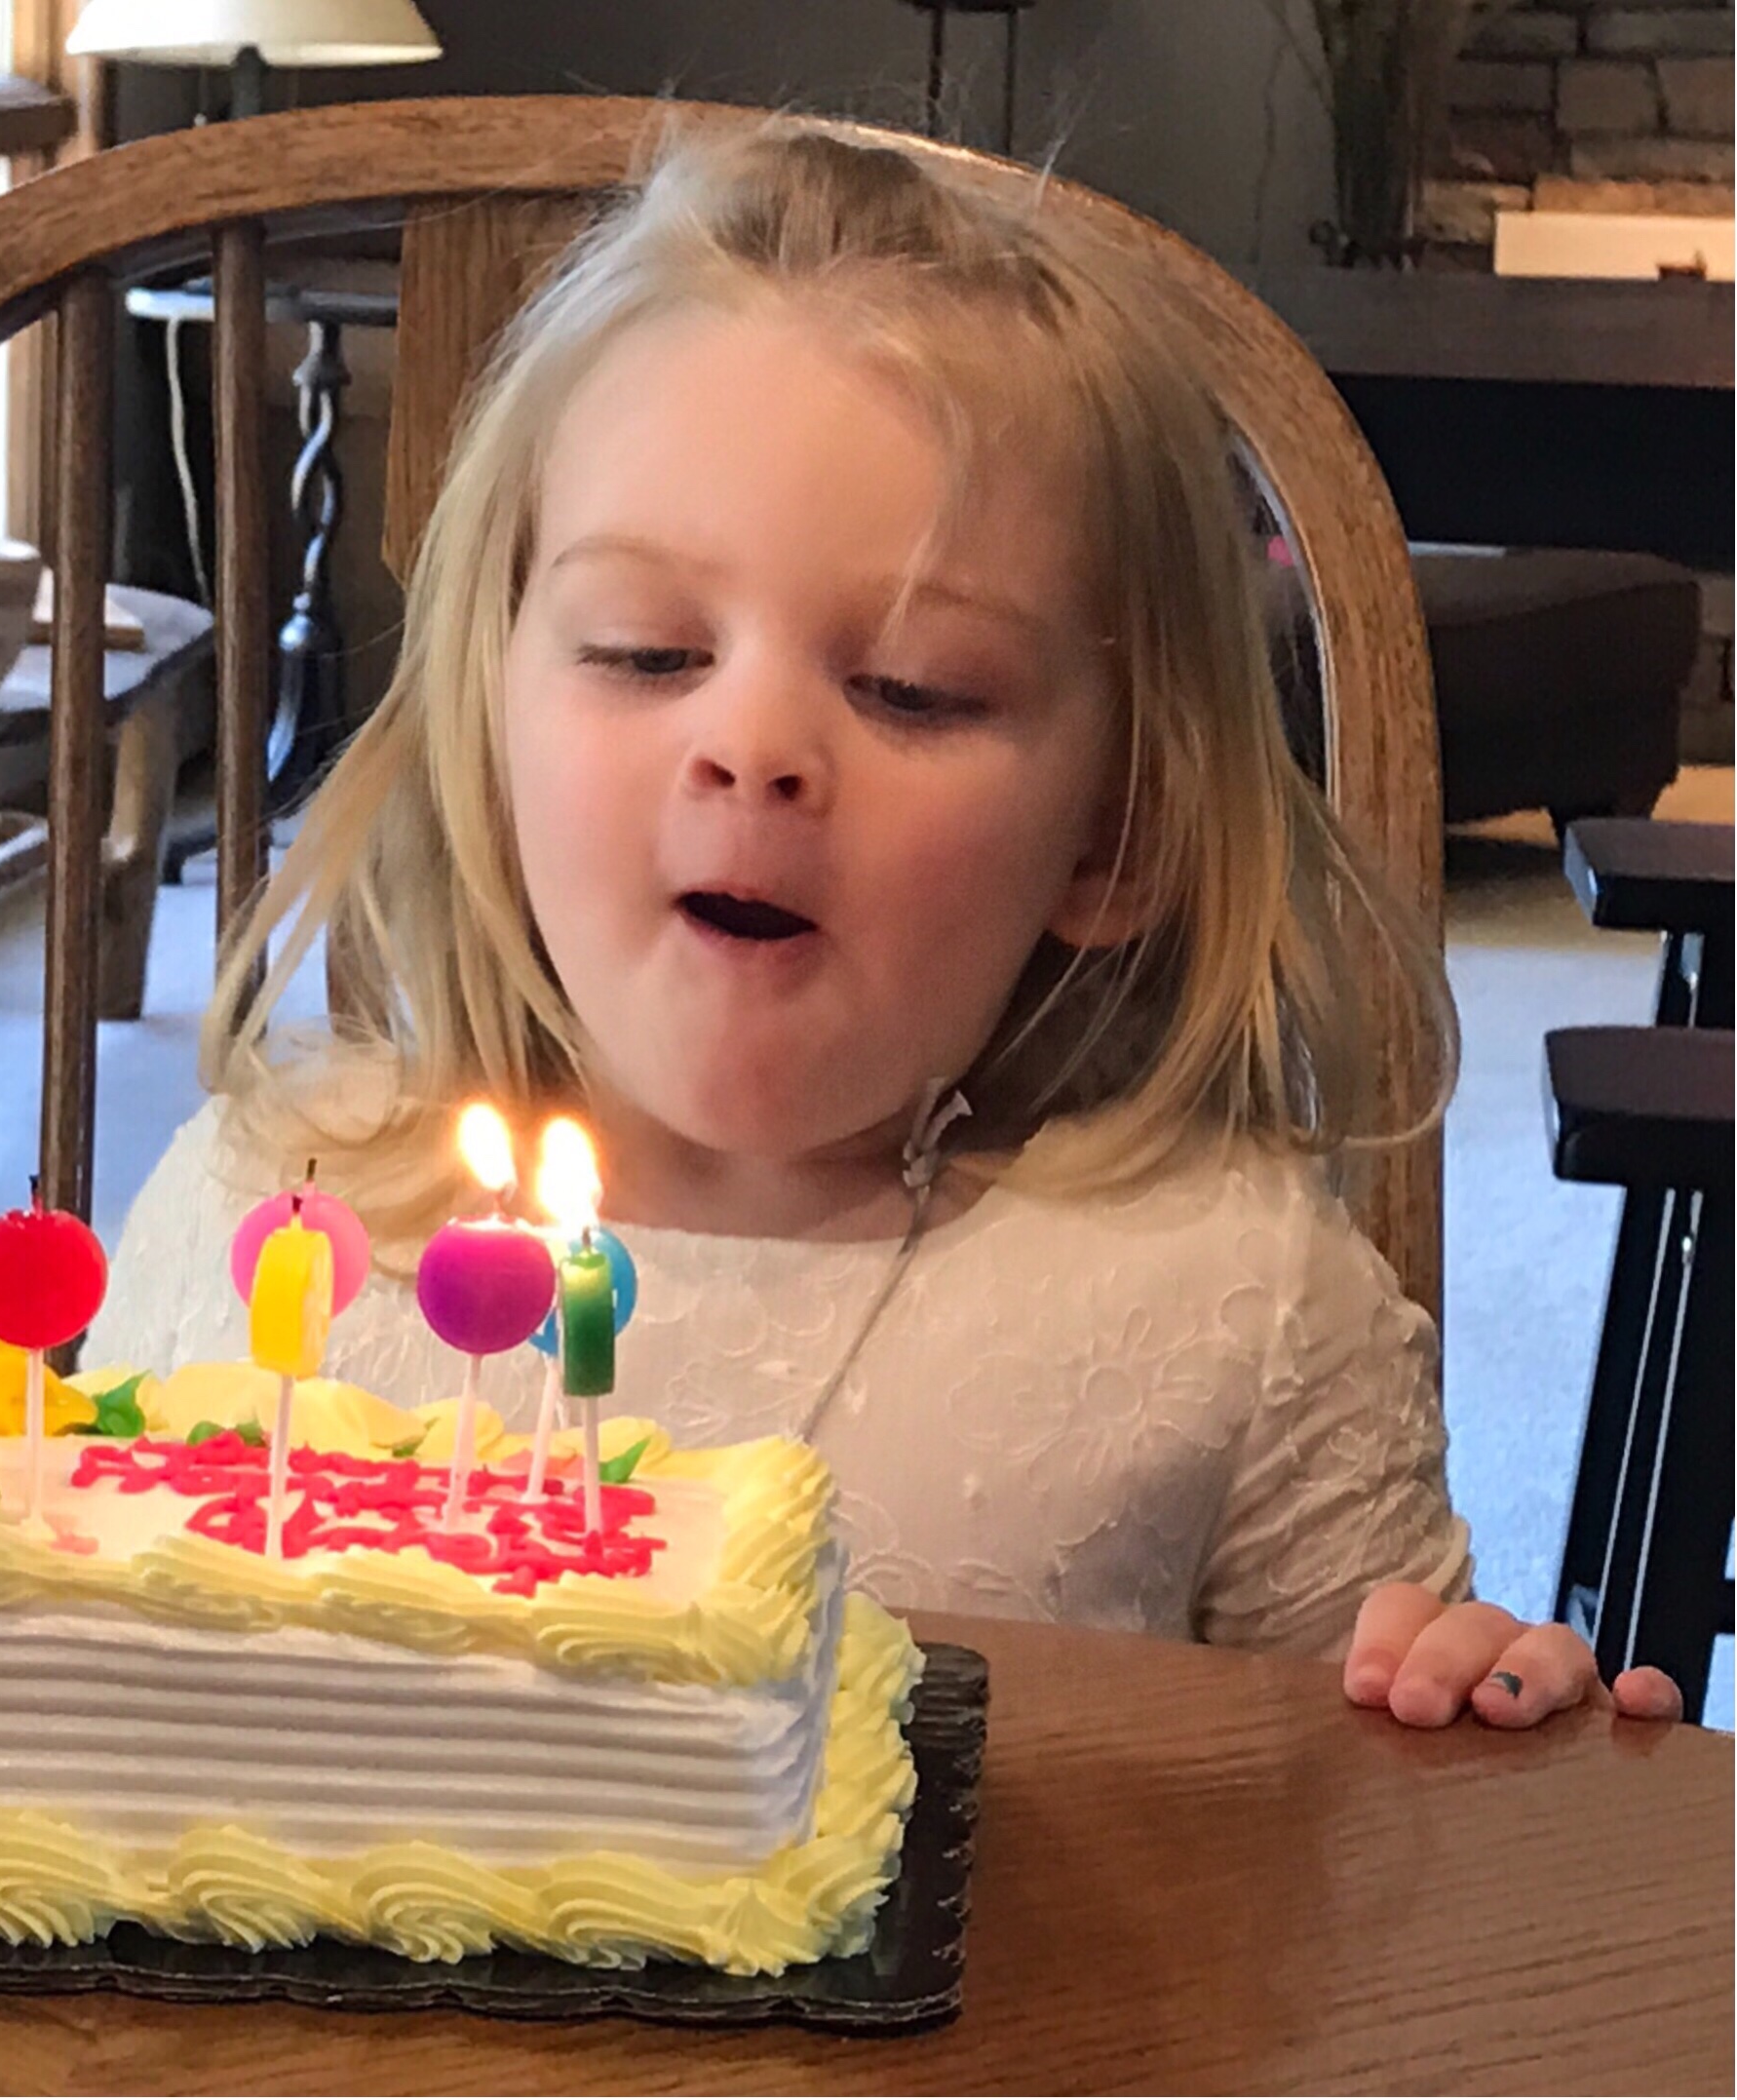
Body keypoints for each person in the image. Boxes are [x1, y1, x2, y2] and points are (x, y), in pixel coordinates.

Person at [90, 120, 1680, 1728]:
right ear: (488, 729)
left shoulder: (1231, 1302)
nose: (751, 743)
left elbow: (1377, 1833)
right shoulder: (273, 1217)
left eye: (912, 687)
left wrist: (1472, 1710)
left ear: (1113, 829)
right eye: (646, 651)